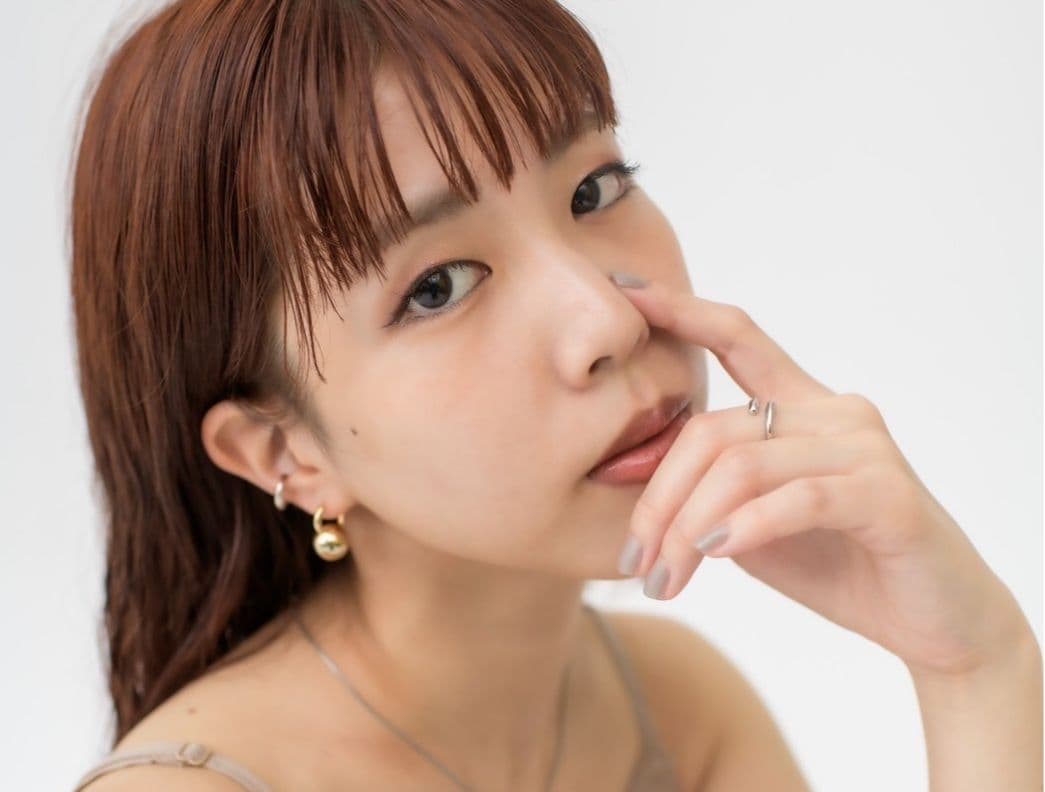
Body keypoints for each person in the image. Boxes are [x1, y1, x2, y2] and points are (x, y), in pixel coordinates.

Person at [69, 1, 1041, 791]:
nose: (607, 322)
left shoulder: (676, 713)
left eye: (593, 191)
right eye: (438, 286)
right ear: (287, 453)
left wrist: (973, 665)